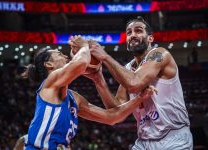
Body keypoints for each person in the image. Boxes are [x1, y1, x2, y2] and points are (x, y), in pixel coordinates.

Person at [21, 35, 155, 150]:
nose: (64, 55)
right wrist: (84, 45)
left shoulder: (74, 98)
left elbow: (112, 117)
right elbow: (81, 63)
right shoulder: (50, 82)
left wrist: (140, 98)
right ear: (49, 64)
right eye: (59, 54)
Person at [81, 16, 193, 149]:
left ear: (150, 38)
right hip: (144, 141)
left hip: (173, 138)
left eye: (138, 31)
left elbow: (134, 84)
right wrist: (98, 78)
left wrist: (104, 57)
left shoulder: (160, 54)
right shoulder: (129, 69)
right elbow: (115, 111)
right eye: (129, 32)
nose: (133, 35)